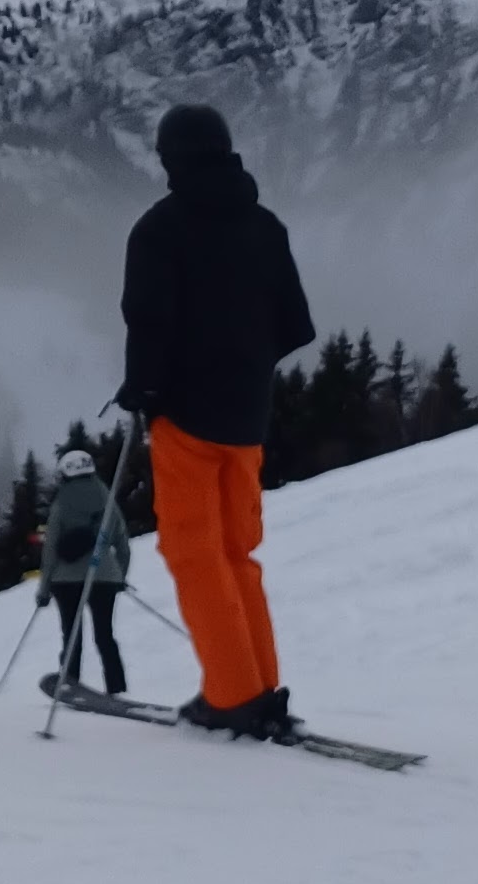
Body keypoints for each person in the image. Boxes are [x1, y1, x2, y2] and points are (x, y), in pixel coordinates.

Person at [118, 102, 314, 737]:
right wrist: (245, 366)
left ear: (171, 158)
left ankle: (232, 695)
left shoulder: (160, 231)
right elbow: (294, 325)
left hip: (187, 421)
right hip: (247, 420)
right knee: (237, 553)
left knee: (194, 552)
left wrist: (144, 390)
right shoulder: (265, 226)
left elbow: (149, 323)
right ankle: (258, 685)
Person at [37, 447, 130, 695]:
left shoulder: (61, 502)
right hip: (105, 576)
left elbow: (51, 548)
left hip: (65, 580)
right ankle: (117, 688)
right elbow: (122, 543)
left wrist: (44, 589)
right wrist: (120, 576)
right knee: (105, 635)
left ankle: (69, 682)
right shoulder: (107, 499)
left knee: (71, 634)